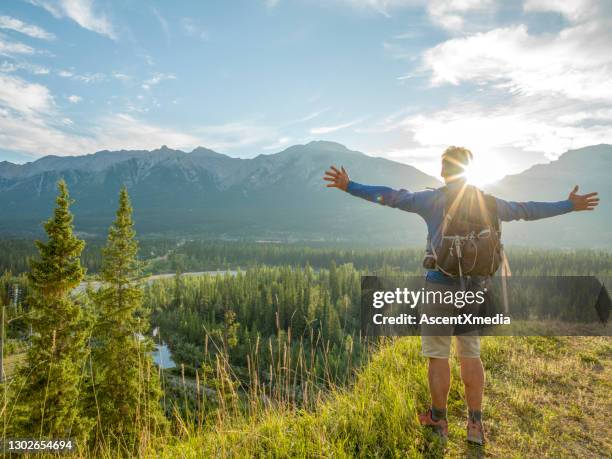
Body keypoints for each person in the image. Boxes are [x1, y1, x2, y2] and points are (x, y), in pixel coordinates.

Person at [322, 146, 599, 445]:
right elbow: (527, 209)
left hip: (440, 286)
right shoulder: (489, 203)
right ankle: (475, 426)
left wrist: (349, 186)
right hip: (475, 289)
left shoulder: (430, 200)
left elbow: (391, 196)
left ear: (442, 171)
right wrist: (569, 205)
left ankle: (438, 420)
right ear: (470, 169)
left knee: (438, 356)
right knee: (471, 354)